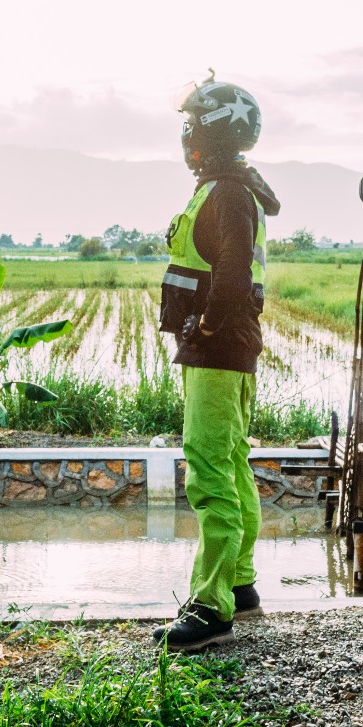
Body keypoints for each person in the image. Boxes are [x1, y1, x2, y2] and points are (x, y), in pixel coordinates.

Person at [152, 74, 281, 651]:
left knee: (208, 469)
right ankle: (240, 582)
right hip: (229, 348)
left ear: (212, 130)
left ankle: (211, 607)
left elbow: (230, 277)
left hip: (218, 348)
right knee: (232, 461)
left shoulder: (227, 192)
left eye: (192, 123)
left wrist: (201, 328)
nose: (185, 134)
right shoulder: (225, 188)